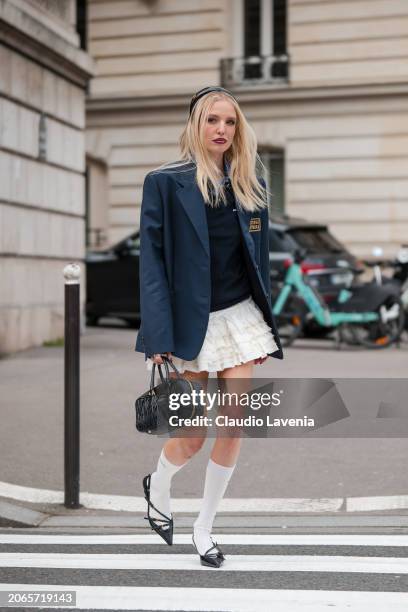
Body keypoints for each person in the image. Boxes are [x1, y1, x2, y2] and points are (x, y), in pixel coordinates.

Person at [135, 86, 283, 568]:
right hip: (190, 323)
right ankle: (159, 482)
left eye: (231, 122)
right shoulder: (164, 181)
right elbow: (152, 264)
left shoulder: (249, 180)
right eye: (213, 121)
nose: (222, 130)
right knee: (193, 434)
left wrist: (262, 323)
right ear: (196, 125)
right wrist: (157, 335)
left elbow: (258, 259)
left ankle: (204, 528)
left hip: (239, 316)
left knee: (235, 424)